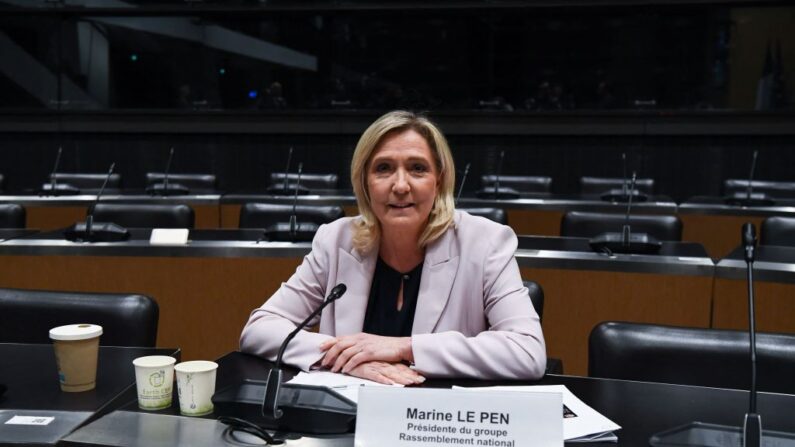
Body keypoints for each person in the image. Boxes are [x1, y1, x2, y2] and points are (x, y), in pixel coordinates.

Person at [240, 110, 546, 385]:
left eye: (417, 168)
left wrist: (403, 346)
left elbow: (527, 352)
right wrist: (348, 360)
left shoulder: (485, 242)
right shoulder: (335, 241)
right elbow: (259, 329)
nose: (400, 186)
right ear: (365, 182)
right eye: (383, 168)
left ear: (438, 181)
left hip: (439, 422)